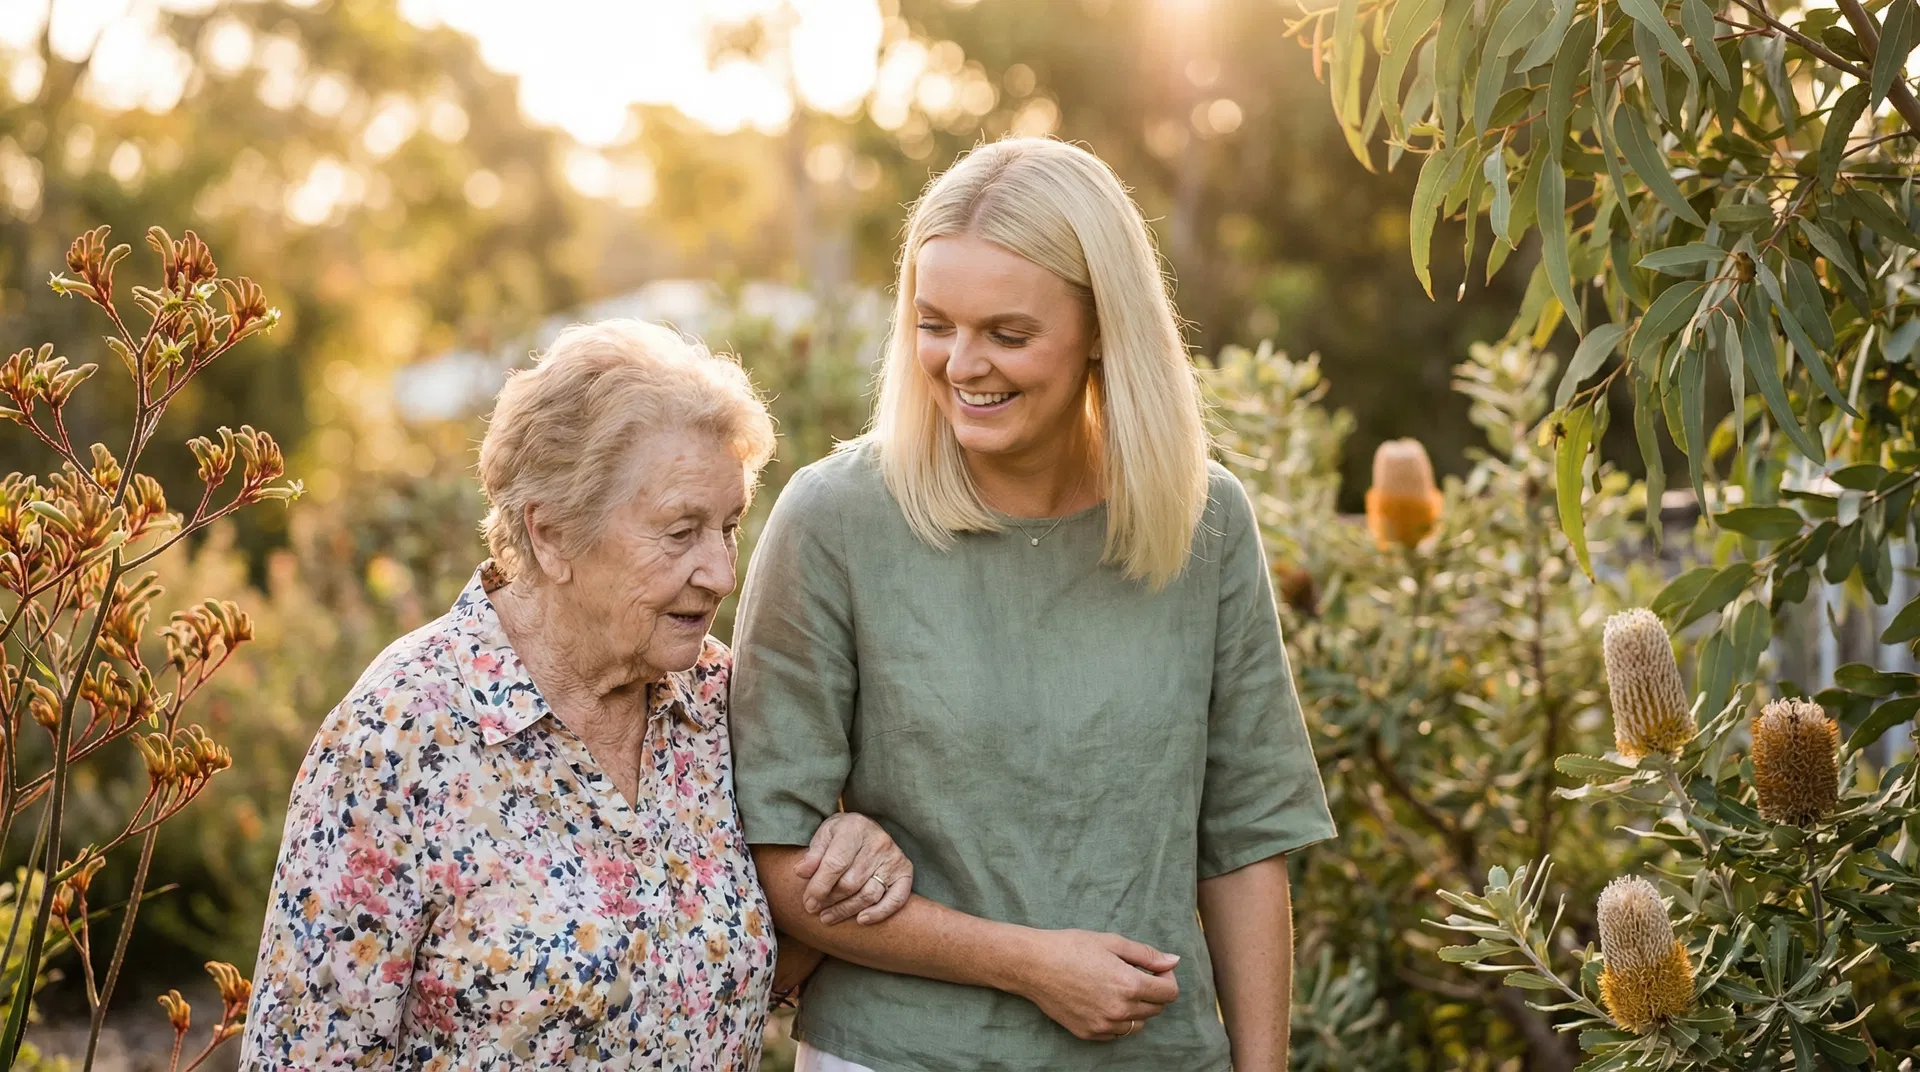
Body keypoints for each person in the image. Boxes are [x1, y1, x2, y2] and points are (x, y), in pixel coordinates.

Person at [730, 136, 1338, 1072]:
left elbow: (1246, 834)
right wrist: (1031, 965)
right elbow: (775, 854)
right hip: (898, 1056)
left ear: (1103, 326)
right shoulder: (835, 519)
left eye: (1008, 334)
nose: (963, 365)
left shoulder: (1203, 518)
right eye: (935, 325)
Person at [240, 320, 914, 1071]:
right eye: (680, 531)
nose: (722, 572)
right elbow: (303, 1055)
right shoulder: (396, 740)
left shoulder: (720, 701)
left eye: (728, 527)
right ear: (552, 533)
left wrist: (848, 853)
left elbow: (743, 965)